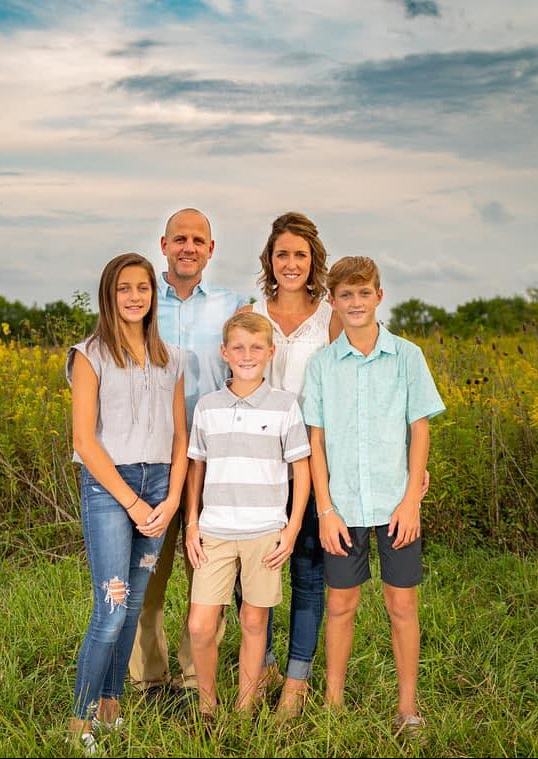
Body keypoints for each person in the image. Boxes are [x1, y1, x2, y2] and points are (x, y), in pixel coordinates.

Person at [302, 256, 445, 736]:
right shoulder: (322, 364)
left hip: (394, 504)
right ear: (333, 303)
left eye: (364, 293)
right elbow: (315, 441)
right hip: (342, 507)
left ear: (379, 296)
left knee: (401, 605)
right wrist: (324, 509)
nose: (356, 302)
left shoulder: (407, 356)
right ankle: (333, 704)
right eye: (346, 295)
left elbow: (419, 430)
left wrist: (411, 501)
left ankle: (407, 709)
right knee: (341, 605)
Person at [66, 252, 188, 751]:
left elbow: (182, 436)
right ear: (108, 296)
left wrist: (174, 494)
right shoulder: (89, 354)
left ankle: (113, 704)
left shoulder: (173, 357)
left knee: (135, 603)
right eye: (124, 289)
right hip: (110, 488)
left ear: (152, 295)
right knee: (112, 608)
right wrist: (133, 504)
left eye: (142, 287)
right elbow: (83, 441)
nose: (135, 297)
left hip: (160, 485)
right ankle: (80, 723)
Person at [129, 208, 248, 700]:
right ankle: (149, 678)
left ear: (211, 249)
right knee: (149, 572)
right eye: (180, 238)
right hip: (151, 457)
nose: (188, 247)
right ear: (163, 244)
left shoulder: (232, 304)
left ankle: (196, 675)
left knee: (210, 573)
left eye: (198, 240)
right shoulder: (140, 300)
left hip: (214, 458)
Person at [236, 211, 341, 716]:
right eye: (282, 254)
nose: (291, 263)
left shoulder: (331, 317)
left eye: (300, 254)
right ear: (269, 261)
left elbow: (351, 391)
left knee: (307, 572)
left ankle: (297, 682)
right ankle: (266, 665)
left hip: (314, 463)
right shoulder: (251, 311)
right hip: (257, 467)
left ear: (313, 260)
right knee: (253, 572)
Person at [184, 312, 311, 718]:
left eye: (256, 347)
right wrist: (191, 523)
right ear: (225, 353)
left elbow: (302, 471)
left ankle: (245, 707)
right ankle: (208, 706)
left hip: (265, 531)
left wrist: (290, 530)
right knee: (201, 625)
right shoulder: (208, 407)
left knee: (254, 620)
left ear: (270, 353)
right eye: (238, 347)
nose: (247, 355)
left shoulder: (284, 406)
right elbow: (196, 467)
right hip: (215, 530)